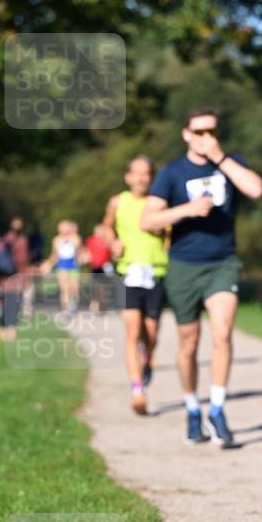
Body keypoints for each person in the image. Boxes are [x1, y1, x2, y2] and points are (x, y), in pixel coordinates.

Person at [141, 107, 262, 446]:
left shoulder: (229, 162)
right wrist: (185, 211)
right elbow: (147, 221)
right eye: (199, 133)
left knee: (222, 333)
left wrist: (220, 158)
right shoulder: (171, 172)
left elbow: (255, 189)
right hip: (183, 265)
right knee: (188, 343)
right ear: (186, 134)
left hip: (222, 263)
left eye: (211, 132)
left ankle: (218, 408)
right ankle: (193, 409)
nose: (206, 138)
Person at [102, 156, 168, 416]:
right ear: (127, 176)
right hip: (127, 272)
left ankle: (147, 355)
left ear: (152, 177)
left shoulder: (161, 203)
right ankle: (137, 390)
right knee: (133, 329)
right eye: (136, 174)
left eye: (146, 174)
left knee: (150, 334)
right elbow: (106, 227)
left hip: (156, 271)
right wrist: (112, 242)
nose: (141, 179)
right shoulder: (118, 202)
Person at [42, 220, 83, 311]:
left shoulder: (75, 238)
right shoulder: (56, 240)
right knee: (64, 288)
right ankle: (65, 308)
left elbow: (79, 251)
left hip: (73, 265)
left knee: (74, 287)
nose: (63, 229)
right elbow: (54, 255)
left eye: (65, 227)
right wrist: (49, 264)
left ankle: (73, 302)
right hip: (62, 265)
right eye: (61, 227)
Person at [85, 224, 113, 312]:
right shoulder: (91, 240)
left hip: (106, 266)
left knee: (105, 286)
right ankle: (95, 303)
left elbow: (112, 252)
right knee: (96, 286)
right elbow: (88, 252)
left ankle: (103, 304)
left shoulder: (107, 240)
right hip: (95, 266)